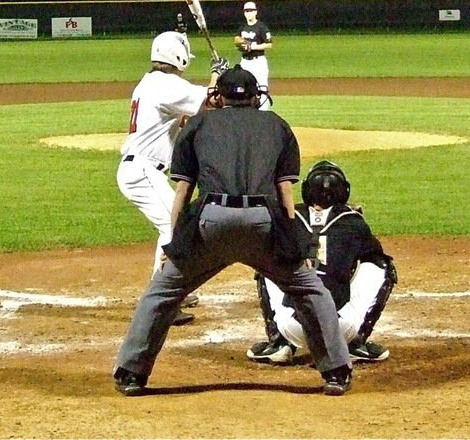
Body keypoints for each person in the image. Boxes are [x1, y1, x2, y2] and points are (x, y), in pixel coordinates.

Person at [112, 66, 354, 397]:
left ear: (218, 97)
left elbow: (182, 192)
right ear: (257, 97)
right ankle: (337, 373)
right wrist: (298, 244)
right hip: (262, 224)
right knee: (310, 290)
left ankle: (131, 373)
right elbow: (285, 196)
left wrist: (176, 243)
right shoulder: (277, 125)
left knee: (162, 293)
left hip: (211, 224)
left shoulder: (197, 124)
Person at [117, 23, 227, 325]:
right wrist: (218, 74)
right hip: (141, 171)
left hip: (141, 170)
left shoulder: (152, 83)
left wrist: (216, 80)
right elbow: (210, 100)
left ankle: (169, 288)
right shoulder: (165, 85)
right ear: (178, 56)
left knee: (174, 225)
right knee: (176, 228)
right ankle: (163, 301)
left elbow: (194, 114)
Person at [246, 160, 397, 366]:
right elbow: (374, 253)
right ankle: (355, 343)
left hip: (293, 327)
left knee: (267, 263)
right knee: (382, 265)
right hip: (339, 329)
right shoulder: (353, 221)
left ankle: (279, 342)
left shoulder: (288, 217)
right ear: (343, 192)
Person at [235, 1, 274, 109]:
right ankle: (247, 111)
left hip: (258, 61)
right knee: (244, 87)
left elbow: (269, 44)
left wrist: (252, 47)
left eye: (251, 10)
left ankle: (263, 112)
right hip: (245, 61)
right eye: (246, 11)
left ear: (256, 12)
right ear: (244, 13)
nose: (249, 13)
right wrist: (241, 47)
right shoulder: (242, 28)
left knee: (262, 87)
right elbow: (238, 42)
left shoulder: (261, 27)